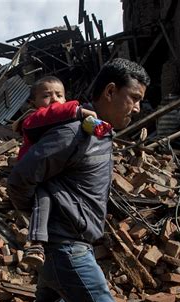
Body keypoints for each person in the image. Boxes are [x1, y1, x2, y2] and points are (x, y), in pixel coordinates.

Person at [7, 58, 150, 302]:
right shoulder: (74, 131)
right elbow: (20, 178)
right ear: (110, 91)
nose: (138, 108)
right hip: (69, 249)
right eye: (134, 98)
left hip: (66, 249)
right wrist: (41, 213)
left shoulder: (98, 133)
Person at [13, 76, 110, 268]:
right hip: (36, 173)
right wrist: (76, 110)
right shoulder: (33, 118)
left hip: (57, 174)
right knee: (44, 196)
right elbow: (49, 115)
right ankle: (36, 243)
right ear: (33, 102)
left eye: (59, 95)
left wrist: (96, 126)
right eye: (46, 96)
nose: (55, 99)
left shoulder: (65, 121)